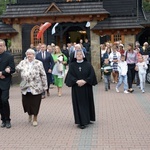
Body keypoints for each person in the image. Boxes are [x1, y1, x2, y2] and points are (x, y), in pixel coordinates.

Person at [65, 49, 97, 129]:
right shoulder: (72, 65)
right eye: (77, 54)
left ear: (83, 55)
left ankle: (88, 118)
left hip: (86, 87)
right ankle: (81, 122)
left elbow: (92, 75)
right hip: (77, 88)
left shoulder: (88, 64)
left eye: (80, 54)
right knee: (79, 104)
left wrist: (85, 81)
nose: (79, 56)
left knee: (87, 103)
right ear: (75, 56)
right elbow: (70, 76)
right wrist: (76, 81)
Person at [16, 49, 48, 126]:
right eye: (28, 54)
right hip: (25, 85)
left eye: (30, 54)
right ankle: (29, 113)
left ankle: (35, 118)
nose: (29, 55)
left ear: (34, 55)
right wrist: (18, 69)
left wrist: (45, 86)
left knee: (35, 103)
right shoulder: (23, 62)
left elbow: (43, 74)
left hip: (36, 86)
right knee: (26, 103)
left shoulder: (39, 63)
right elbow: (17, 69)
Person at [0, 39, 15, 128]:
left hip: (5, 82)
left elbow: (12, 69)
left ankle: (8, 120)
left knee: (4, 100)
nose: (0, 47)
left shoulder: (9, 56)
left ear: (4, 46)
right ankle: (3, 119)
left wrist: (3, 73)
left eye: (1, 45)